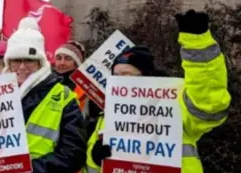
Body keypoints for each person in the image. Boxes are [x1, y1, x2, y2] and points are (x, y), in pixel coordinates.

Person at [86, 10, 231, 173]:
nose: (121, 82)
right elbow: (91, 168)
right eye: (116, 76)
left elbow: (208, 102)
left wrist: (197, 44)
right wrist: (95, 157)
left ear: (146, 77)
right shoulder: (109, 115)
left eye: (127, 75)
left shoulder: (172, 104)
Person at [4, 17, 87, 173]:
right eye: (15, 60)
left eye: (29, 60)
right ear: (8, 63)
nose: (22, 67)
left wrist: (30, 170)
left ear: (40, 63)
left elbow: (74, 154)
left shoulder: (64, 96)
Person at [54, 41, 87, 112]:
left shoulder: (85, 88)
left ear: (76, 64)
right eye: (59, 58)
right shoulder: (45, 83)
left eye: (68, 59)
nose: (62, 63)